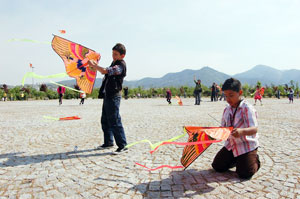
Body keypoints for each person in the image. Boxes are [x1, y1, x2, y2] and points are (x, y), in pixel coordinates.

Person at [212, 78, 260, 179]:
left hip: (246, 145)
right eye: (225, 96)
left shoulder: (247, 108)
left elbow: (254, 129)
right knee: (217, 166)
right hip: (231, 144)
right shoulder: (227, 109)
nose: (228, 99)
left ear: (240, 93)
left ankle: (255, 160)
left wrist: (242, 131)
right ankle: (236, 159)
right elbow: (223, 127)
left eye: (231, 95)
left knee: (245, 173)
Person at [89, 43, 128, 153]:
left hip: (114, 96)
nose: (113, 56)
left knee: (115, 120)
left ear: (122, 55)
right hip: (108, 95)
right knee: (105, 120)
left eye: (116, 54)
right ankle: (108, 142)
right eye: (112, 54)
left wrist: (95, 65)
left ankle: (123, 145)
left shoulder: (121, 65)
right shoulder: (114, 62)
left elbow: (105, 71)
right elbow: (105, 72)